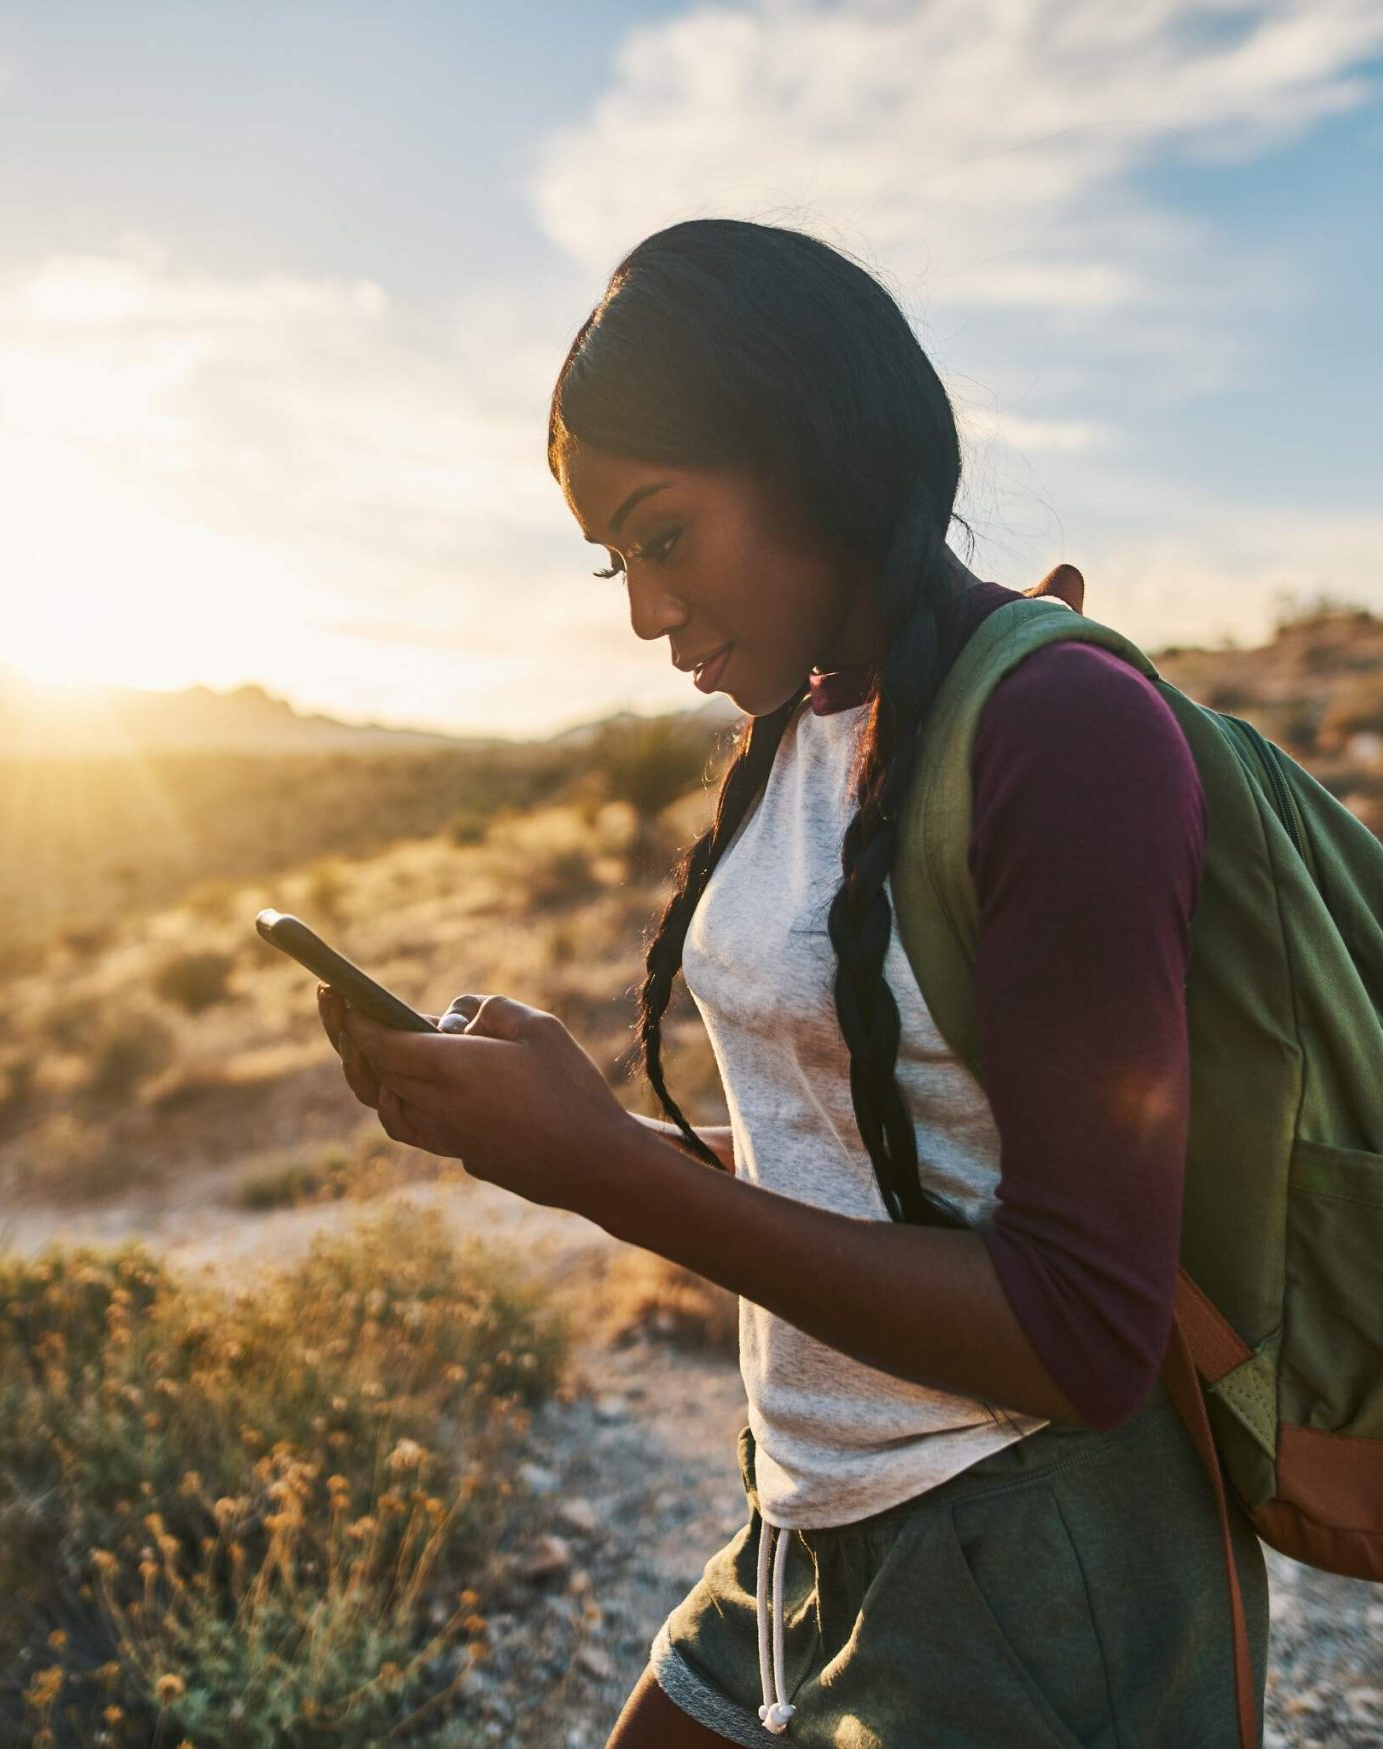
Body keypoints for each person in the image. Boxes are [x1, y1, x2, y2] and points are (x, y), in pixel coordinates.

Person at [314, 216, 1267, 1748]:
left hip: (1031, 1568)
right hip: (809, 1527)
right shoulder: (796, 729)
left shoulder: (1062, 730)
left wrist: (603, 1167)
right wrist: (531, 1099)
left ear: (811, 449)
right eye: (615, 558)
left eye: (665, 533)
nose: (641, 608)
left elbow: (1088, 1335)